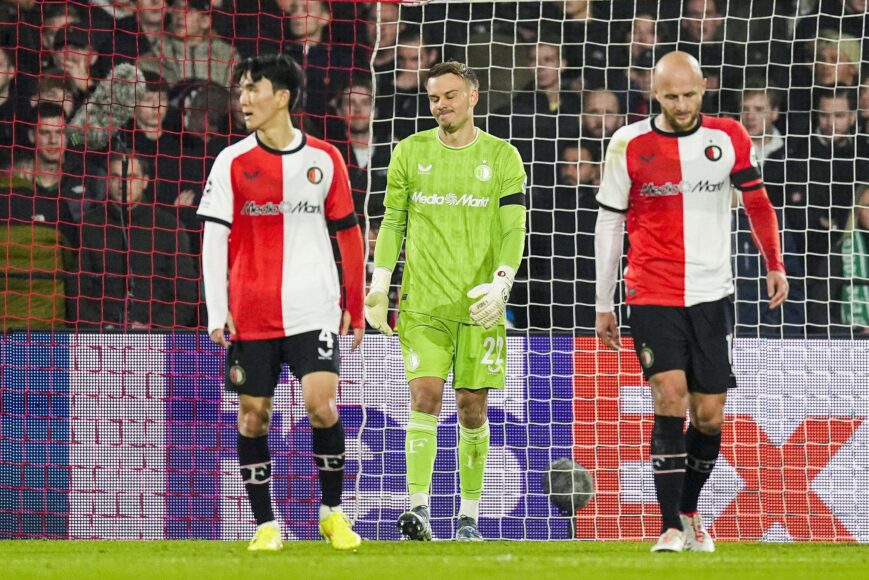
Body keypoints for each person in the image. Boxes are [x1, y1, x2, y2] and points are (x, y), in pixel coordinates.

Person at [594, 52, 788, 553]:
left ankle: (689, 509)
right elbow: (610, 222)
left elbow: (757, 202)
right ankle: (669, 527)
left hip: (712, 293)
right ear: (654, 94)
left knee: (708, 415)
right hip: (651, 290)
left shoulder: (728, 138)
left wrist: (775, 262)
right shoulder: (628, 143)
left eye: (689, 95)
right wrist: (604, 301)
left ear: (704, 87)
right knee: (669, 398)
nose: (681, 105)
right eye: (670, 96)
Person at [197, 54, 365, 552]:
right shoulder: (231, 160)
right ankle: (265, 524)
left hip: (314, 307)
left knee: (321, 405)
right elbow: (212, 238)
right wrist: (216, 307)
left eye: (254, 88)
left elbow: (349, 236)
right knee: (254, 415)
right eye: (241, 89)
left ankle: (333, 514)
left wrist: (353, 303)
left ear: (283, 97)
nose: (244, 98)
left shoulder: (325, 158)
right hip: (251, 310)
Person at [364, 61, 526, 541]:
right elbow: (393, 222)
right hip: (423, 304)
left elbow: (513, 226)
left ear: (473, 97)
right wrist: (378, 285)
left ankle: (469, 517)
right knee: (426, 395)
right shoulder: (410, 152)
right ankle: (419, 509)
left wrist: (502, 282)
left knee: (472, 408)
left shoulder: (502, 157)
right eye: (435, 98)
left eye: (451, 96)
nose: (442, 105)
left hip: (480, 306)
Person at [78, 153, 197, 329]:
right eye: (116, 177)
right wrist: (101, 328)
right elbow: (77, 292)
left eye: (131, 177)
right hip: (99, 337)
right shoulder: (89, 225)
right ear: (108, 181)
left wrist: (153, 328)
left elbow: (185, 295)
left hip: (156, 339)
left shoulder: (169, 227)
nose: (123, 184)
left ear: (145, 181)